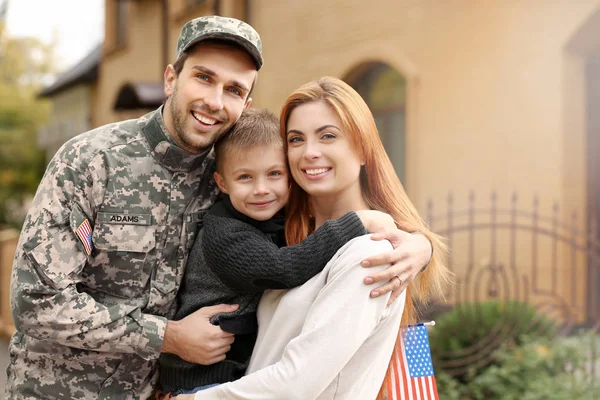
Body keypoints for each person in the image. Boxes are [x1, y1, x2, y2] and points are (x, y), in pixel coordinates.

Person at [5, 16, 433, 400]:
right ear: (172, 78)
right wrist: (167, 337)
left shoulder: (244, 175)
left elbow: (329, 211)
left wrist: (420, 244)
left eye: (233, 89)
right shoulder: (92, 161)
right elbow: (35, 301)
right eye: (204, 78)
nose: (214, 100)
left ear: (245, 105)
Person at [176, 77, 452, 400]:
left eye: (328, 136)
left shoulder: (371, 254)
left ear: (363, 149)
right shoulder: (290, 236)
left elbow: (297, 384)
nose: (309, 153)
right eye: (296, 139)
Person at [158, 108, 398, 396]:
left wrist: (420, 243)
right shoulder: (225, 233)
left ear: (287, 177)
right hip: (201, 376)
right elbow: (283, 268)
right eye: (245, 177)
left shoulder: (358, 251)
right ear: (222, 183)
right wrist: (357, 223)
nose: (261, 189)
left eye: (273, 174)